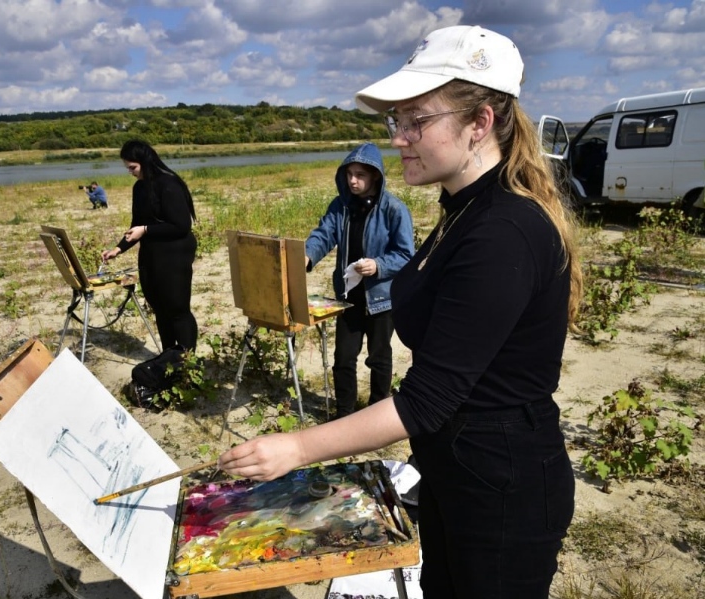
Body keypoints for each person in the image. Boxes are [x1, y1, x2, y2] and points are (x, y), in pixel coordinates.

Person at [219, 25, 582, 599]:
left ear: (480, 122)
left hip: (502, 488)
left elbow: (426, 399)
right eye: (397, 121)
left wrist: (297, 447)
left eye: (417, 120)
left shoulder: (503, 231)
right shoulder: (462, 210)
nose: (400, 139)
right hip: (454, 469)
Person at [304, 142, 414, 419]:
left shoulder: (394, 209)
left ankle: (377, 413)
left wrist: (378, 265)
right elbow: (323, 235)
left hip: (381, 298)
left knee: (379, 358)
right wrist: (306, 256)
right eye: (349, 174)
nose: (353, 181)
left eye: (360, 175)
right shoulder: (340, 206)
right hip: (348, 296)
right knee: (343, 358)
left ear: (375, 175)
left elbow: (406, 256)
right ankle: (344, 414)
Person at [101, 140, 198, 351]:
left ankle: (186, 359)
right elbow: (136, 224)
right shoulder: (139, 188)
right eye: (128, 168)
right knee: (160, 308)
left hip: (175, 254)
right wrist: (118, 249)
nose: (130, 172)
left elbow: (181, 226)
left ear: (145, 162)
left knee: (177, 308)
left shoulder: (169, 184)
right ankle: (168, 355)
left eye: (133, 167)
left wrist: (146, 230)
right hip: (151, 255)